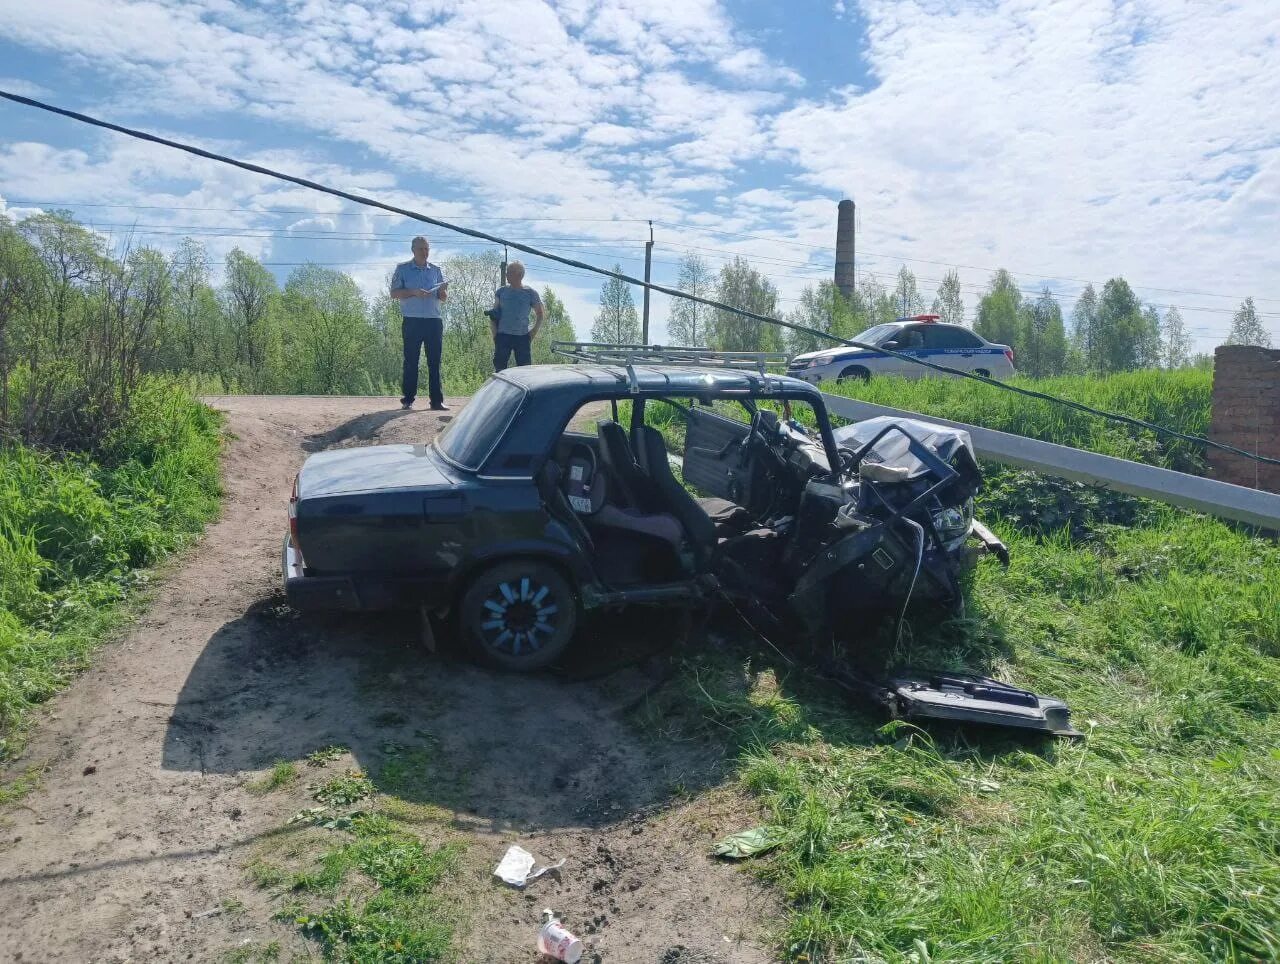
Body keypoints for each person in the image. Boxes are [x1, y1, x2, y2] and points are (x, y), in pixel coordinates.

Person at [390, 236, 449, 410]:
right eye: (421, 249)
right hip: (412, 320)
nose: (425, 252)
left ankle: (437, 401)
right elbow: (394, 293)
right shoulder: (403, 269)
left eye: (427, 249)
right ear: (413, 250)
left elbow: (442, 298)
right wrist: (414, 292)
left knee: (435, 361)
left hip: (433, 320)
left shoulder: (436, 270)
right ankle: (408, 399)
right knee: (411, 360)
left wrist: (443, 292)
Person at [491, 261, 544, 371]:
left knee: (525, 370)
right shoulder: (501, 291)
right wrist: (495, 334)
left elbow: (540, 314)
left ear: (519, 275)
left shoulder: (530, 293)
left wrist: (533, 332)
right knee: (499, 370)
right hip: (503, 336)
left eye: (509, 272)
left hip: (522, 337)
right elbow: (493, 314)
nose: (506, 275)